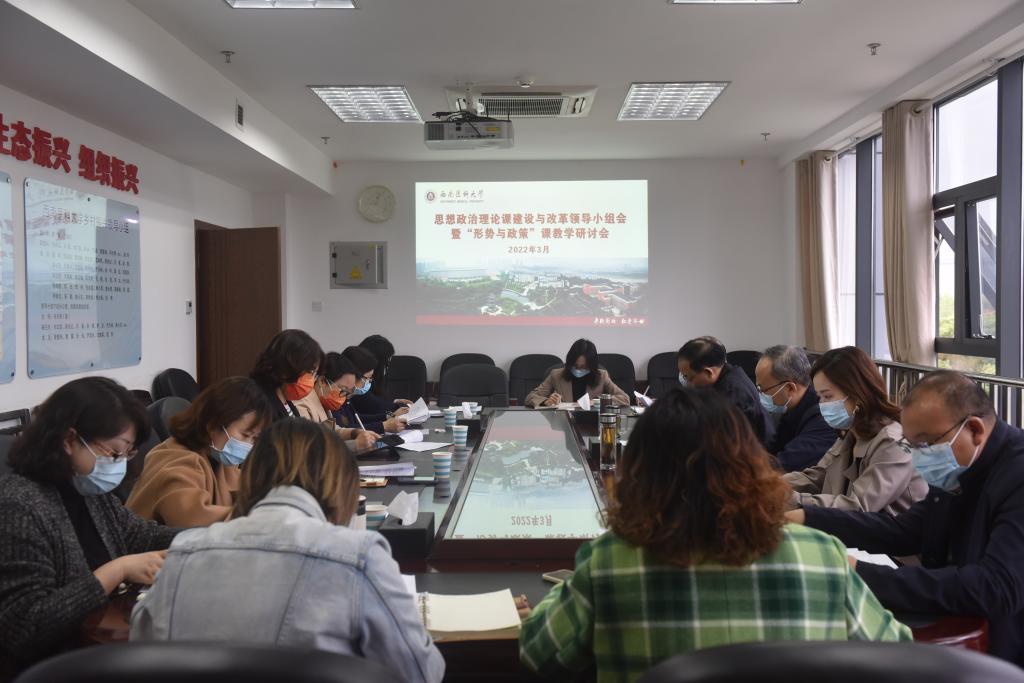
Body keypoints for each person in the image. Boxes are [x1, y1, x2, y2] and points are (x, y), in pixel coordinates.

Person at [519, 388, 910, 681]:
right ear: (752, 464)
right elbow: (898, 656)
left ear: (637, 473)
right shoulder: (823, 556)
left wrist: (558, 598)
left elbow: (540, 654)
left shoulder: (610, 561)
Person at [131, 418, 444, 683]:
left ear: (250, 478)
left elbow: (143, 653)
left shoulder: (184, 552)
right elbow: (421, 672)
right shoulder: (358, 556)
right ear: (340, 484)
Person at [787, 370, 1024, 666]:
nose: (919, 459)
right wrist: (807, 518)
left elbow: (996, 587)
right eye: (911, 446)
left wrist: (857, 572)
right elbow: (904, 531)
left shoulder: (1015, 474)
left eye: (925, 445)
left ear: (974, 430)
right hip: (962, 636)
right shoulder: (960, 465)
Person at [0, 377, 177, 667]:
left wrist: (214, 536)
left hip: (101, 648)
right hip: (54, 666)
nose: (120, 463)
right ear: (69, 440)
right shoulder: (18, 505)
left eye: (127, 453)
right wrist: (116, 571)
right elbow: (26, 627)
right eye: (114, 453)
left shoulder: (87, 489)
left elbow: (141, 536)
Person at [784, 347, 927, 514]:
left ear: (857, 394)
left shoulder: (892, 442)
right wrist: (770, 485)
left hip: (889, 529)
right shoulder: (851, 431)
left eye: (828, 396)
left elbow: (858, 505)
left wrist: (790, 499)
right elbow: (818, 476)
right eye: (819, 397)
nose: (822, 404)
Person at [126, 377, 273, 527]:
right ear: (213, 425)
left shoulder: (219, 459)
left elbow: (244, 488)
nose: (248, 445)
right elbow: (191, 520)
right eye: (245, 435)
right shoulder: (175, 461)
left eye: (254, 438)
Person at [677, 336, 774, 444]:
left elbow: (724, 441)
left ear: (708, 373)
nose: (688, 384)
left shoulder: (731, 393)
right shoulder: (730, 372)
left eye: (690, 378)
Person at [757, 345, 835, 472]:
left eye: (763, 390)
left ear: (790, 388)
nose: (760, 395)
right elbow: (773, 448)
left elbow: (783, 466)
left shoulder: (824, 418)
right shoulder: (792, 408)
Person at [524, 339, 629, 408]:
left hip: (593, 422)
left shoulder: (602, 376)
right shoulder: (556, 375)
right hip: (564, 422)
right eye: (575, 365)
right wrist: (546, 401)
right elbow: (530, 398)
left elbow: (624, 398)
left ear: (591, 365)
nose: (578, 370)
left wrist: (596, 402)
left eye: (583, 367)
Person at [249, 329, 324, 421]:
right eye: (310, 371)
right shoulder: (261, 402)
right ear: (289, 364)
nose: (311, 379)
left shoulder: (284, 397)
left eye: (314, 373)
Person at [338, 346, 407, 433]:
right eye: (367, 378)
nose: (369, 382)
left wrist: (389, 416)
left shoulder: (346, 396)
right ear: (353, 375)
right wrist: (383, 426)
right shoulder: (334, 399)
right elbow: (343, 430)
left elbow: (356, 419)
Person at [348, 334, 414, 417]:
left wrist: (395, 402)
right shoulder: (358, 382)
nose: (387, 367)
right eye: (386, 363)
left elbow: (379, 402)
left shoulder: (372, 379)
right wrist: (397, 408)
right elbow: (375, 406)